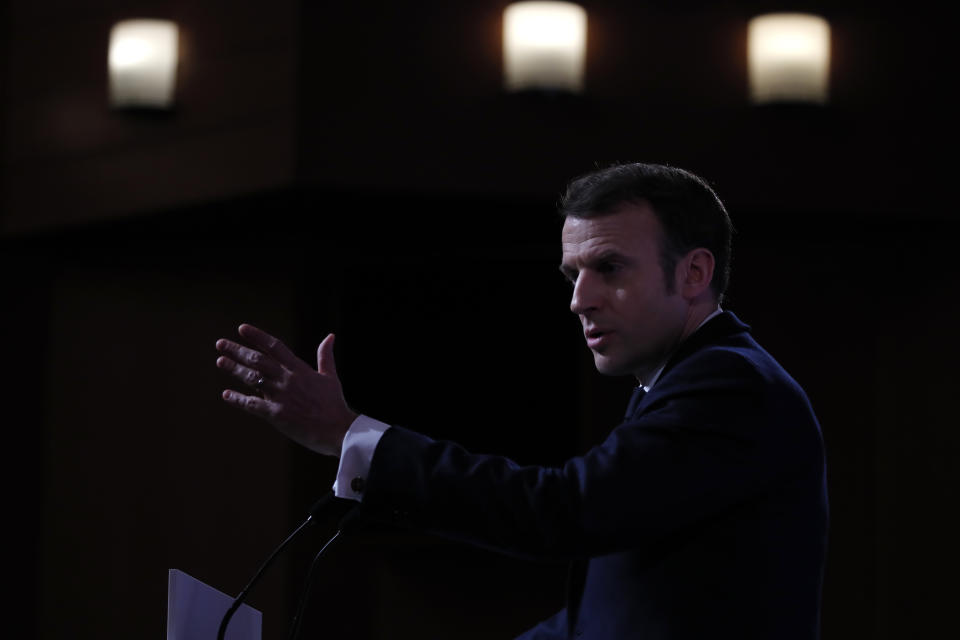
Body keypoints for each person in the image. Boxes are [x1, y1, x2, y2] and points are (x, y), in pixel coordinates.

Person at [215, 162, 828, 639]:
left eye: (609, 267)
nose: (579, 300)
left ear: (694, 274)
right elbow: (616, 615)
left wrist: (353, 436)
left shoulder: (731, 386)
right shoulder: (680, 383)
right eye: (572, 275)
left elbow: (563, 511)